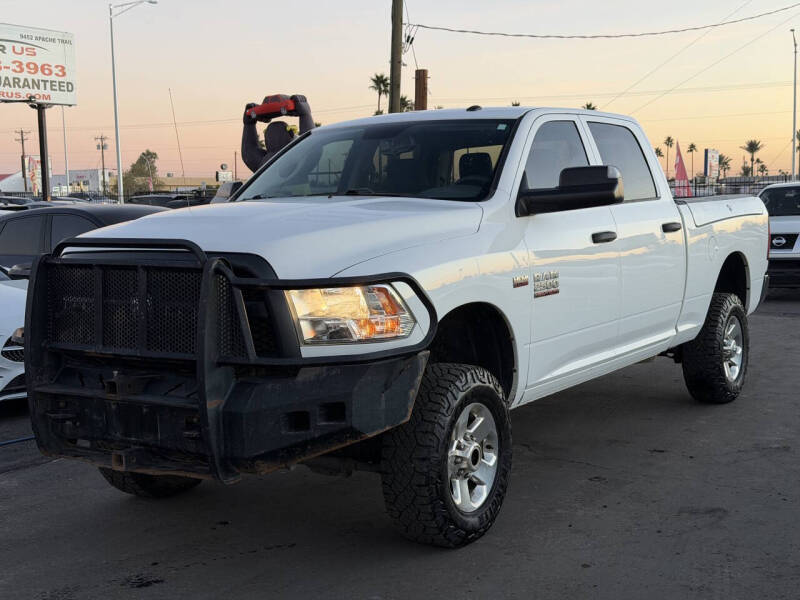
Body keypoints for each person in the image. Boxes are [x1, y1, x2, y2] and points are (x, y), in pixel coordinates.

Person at [241, 94, 315, 172]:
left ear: (266, 137)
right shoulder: (299, 155)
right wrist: (306, 115)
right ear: (291, 133)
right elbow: (311, 147)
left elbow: (248, 151)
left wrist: (249, 125)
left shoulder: (265, 163)